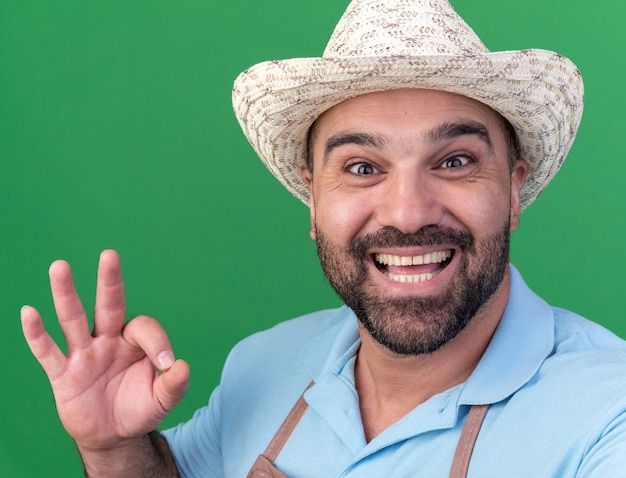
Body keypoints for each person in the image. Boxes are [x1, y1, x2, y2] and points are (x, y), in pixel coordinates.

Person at [21, 0, 626, 476]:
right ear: (314, 199)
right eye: (362, 167)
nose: (409, 213)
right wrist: (115, 450)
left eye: (456, 161)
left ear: (514, 190)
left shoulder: (607, 417)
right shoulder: (262, 366)